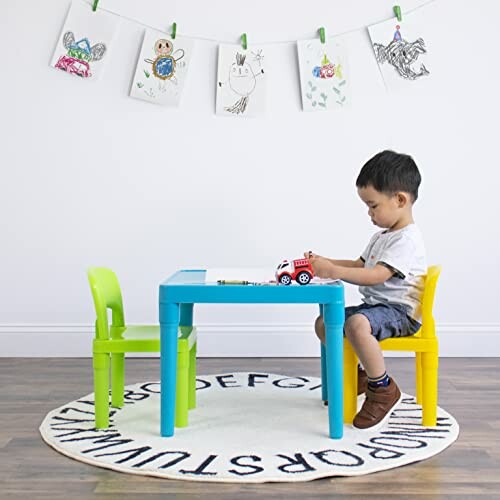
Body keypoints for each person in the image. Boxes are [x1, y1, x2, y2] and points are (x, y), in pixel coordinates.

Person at [307, 150, 427, 431]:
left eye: (373, 206)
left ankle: (383, 388)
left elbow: (375, 275)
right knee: (326, 323)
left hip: (401, 312)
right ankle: (361, 376)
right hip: (377, 309)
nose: (369, 213)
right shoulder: (381, 237)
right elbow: (358, 264)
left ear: (400, 199)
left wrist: (333, 272)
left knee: (357, 324)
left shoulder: (407, 240)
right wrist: (324, 262)